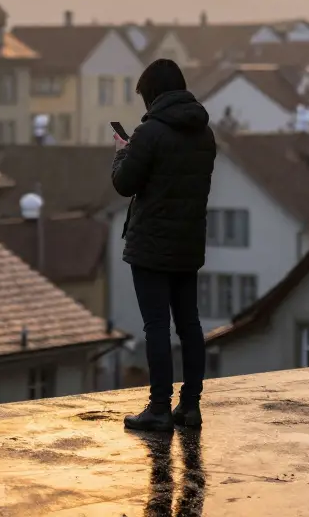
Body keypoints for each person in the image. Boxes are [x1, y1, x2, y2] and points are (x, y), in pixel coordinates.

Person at [111, 58, 216, 431]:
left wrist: (123, 150)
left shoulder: (150, 133)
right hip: (189, 243)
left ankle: (158, 407)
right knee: (189, 324)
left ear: (154, 93)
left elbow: (125, 183)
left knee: (157, 326)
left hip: (152, 245)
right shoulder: (204, 133)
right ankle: (190, 406)